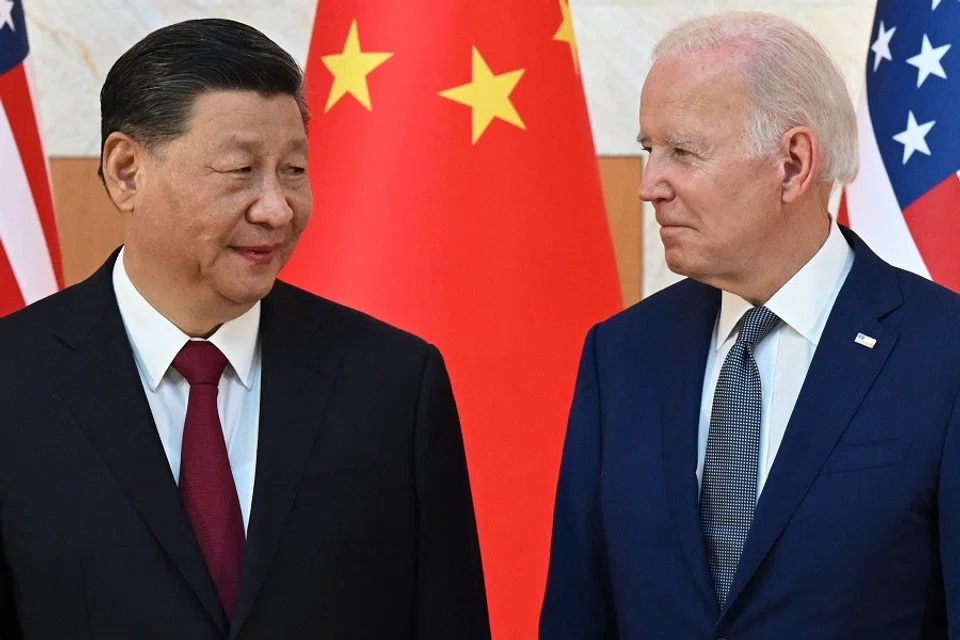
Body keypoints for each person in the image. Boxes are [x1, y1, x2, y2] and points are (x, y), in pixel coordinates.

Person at [0, 18, 490, 639]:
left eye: (292, 171)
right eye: (239, 170)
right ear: (127, 171)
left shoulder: (393, 384)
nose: (277, 209)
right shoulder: (15, 382)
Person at [540, 11, 960, 639]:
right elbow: (581, 612)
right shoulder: (621, 354)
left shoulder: (944, 353)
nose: (650, 185)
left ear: (792, 164)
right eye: (648, 150)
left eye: (682, 152)